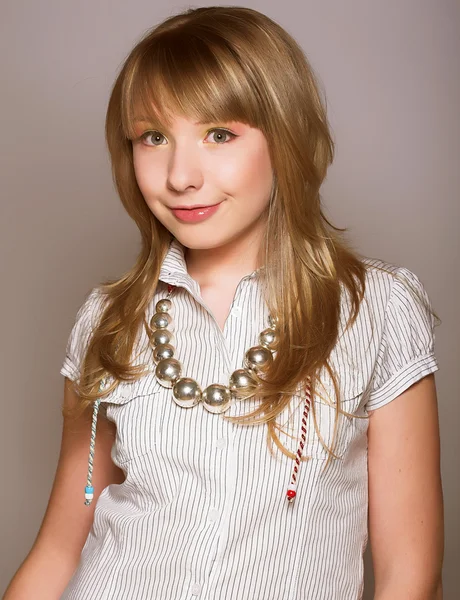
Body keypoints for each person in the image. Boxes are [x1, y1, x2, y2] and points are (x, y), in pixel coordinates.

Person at [4, 5, 444, 600]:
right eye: (154, 137)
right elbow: (60, 548)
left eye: (219, 135)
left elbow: (410, 577)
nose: (180, 175)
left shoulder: (376, 308)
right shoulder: (108, 319)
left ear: (285, 135)